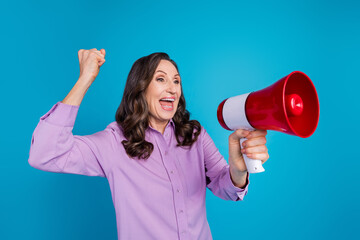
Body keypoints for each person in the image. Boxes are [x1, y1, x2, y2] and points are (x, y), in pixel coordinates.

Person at [28, 49, 269, 240]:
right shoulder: (113, 142)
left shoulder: (194, 135)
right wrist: (85, 80)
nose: (172, 89)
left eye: (176, 81)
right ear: (140, 89)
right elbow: (44, 153)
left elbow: (226, 188)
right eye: (161, 79)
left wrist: (238, 169)